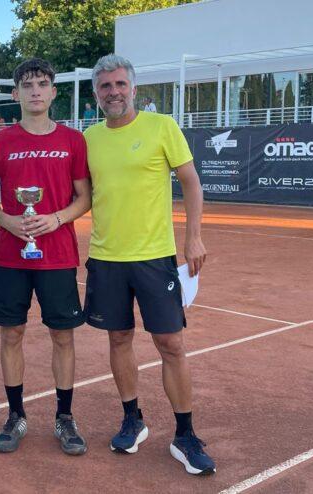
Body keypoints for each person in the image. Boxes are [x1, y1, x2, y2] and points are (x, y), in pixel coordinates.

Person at [83, 54, 215, 475]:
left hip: (155, 258)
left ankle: (185, 435)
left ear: (134, 88)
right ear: (96, 94)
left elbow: (191, 182)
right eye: (106, 86)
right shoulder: (88, 138)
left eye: (120, 84)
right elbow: (82, 196)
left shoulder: (162, 127)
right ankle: (132, 419)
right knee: (118, 340)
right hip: (105, 259)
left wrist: (192, 237)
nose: (114, 92)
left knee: (171, 345)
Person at [0, 58, 92, 456]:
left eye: (42, 84)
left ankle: (65, 417)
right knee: (11, 334)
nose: (35, 91)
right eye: (27, 85)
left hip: (58, 256)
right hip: (11, 255)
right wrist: (11, 223)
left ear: (54, 91)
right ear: (16, 94)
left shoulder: (73, 141)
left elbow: (85, 198)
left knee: (63, 336)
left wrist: (56, 218)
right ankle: (15, 414)